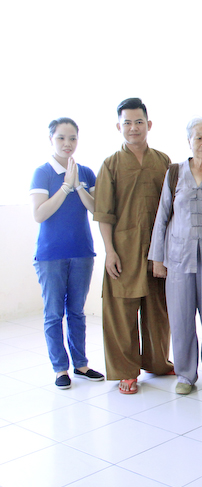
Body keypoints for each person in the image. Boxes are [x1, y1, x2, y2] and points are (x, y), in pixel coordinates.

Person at [94, 98, 174, 395]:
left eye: (139, 122)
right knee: (122, 312)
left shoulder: (163, 162)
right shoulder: (111, 165)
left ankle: (157, 362)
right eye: (127, 122)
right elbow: (104, 213)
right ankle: (126, 371)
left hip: (157, 249)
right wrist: (109, 251)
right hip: (123, 250)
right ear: (119, 127)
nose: (133, 127)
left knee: (158, 310)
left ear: (148, 125)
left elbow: (172, 208)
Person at [148, 117, 202, 395]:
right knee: (181, 320)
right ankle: (185, 375)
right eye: (198, 138)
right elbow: (162, 216)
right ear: (189, 141)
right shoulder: (174, 172)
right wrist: (157, 258)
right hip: (178, 260)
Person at [30, 118, 105, 389]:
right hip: (51, 255)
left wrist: (78, 186)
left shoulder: (85, 172)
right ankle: (60, 369)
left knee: (77, 312)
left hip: (82, 252)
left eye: (72, 138)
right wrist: (64, 187)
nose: (67, 143)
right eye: (61, 138)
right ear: (51, 139)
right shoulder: (43, 172)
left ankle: (81, 365)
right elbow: (39, 214)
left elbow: (97, 210)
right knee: (53, 314)